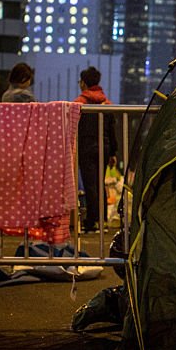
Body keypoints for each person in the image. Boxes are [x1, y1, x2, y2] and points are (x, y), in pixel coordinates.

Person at [74, 66, 116, 234]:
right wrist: (113, 152)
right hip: (104, 148)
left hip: (86, 148)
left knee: (90, 185)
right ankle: (103, 220)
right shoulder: (107, 103)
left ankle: (92, 221)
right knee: (100, 184)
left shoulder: (79, 103)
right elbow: (112, 130)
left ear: (83, 83)